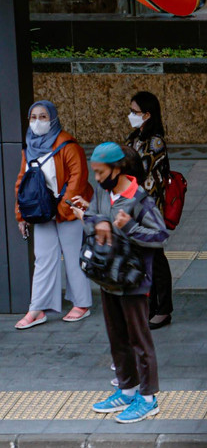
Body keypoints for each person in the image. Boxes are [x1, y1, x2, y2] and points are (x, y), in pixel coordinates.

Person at [69, 142, 169, 423]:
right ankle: (127, 389)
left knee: (139, 338)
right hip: (108, 278)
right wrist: (88, 215)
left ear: (118, 168)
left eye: (100, 173)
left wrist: (130, 227)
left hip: (132, 279)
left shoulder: (139, 199)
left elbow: (160, 236)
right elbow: (102, 224)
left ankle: (148, 398)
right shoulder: (103, 193)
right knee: (117, 338)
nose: (97, 179)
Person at [13, 100, 93, 330]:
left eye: (43, 117)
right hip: (42, 212)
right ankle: (37, 308)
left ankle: (82, 304)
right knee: (43, 259)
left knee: (73, 255)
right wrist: (22, 215)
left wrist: (61, 210)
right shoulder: (29, 147)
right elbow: (22, 182)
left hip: (67, 210)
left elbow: (78, 179)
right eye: (33, 117)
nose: (37, 122)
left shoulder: (68, 145)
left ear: (54, 119)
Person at [123, 91, 172, 330]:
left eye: (135, 112)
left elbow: (141, 171)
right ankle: (149, 306)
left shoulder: (155, 142)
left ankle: (163, 309)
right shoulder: (134, 138)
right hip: (133, 206)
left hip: (150, 209)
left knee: (156, 259)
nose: (131, 115)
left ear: (148, 114)